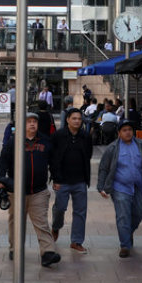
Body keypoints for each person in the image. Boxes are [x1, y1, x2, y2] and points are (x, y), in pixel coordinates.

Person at [0, 112, 61, 267]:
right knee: (16, 223)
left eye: (34, 122)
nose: (32, 124)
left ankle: (47, 253)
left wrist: (56, 179)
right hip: (16, 191)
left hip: (38, 191)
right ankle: (15, 248)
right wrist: (1, 179)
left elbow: (54, 161)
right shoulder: (14, 141)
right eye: (29, 122)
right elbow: (3, 160)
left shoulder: (45, 141)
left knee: (42, 223)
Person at [96, 120, 142, 258]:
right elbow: (104, 168)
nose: (128, 132)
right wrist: (101, 187)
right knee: (123, 216)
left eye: (130, 129)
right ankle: (125, 245)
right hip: (120, 187)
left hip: (140, 187)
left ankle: (127, 233)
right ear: (119, 133)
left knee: (139, 213)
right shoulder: (112, 148)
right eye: (124, 130)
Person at [50, 108, 92, 254]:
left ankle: (76, 241)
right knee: (60, 208)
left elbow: (88, 155)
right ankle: (56, 227)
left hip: (80, 180)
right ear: (67, 119)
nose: (77, 121)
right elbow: (53, 159)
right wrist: (56, 178)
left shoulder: (86, 136)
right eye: (74, 118)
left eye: (79, 119)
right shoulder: (58, 136)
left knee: (80, 212)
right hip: (62, 181)